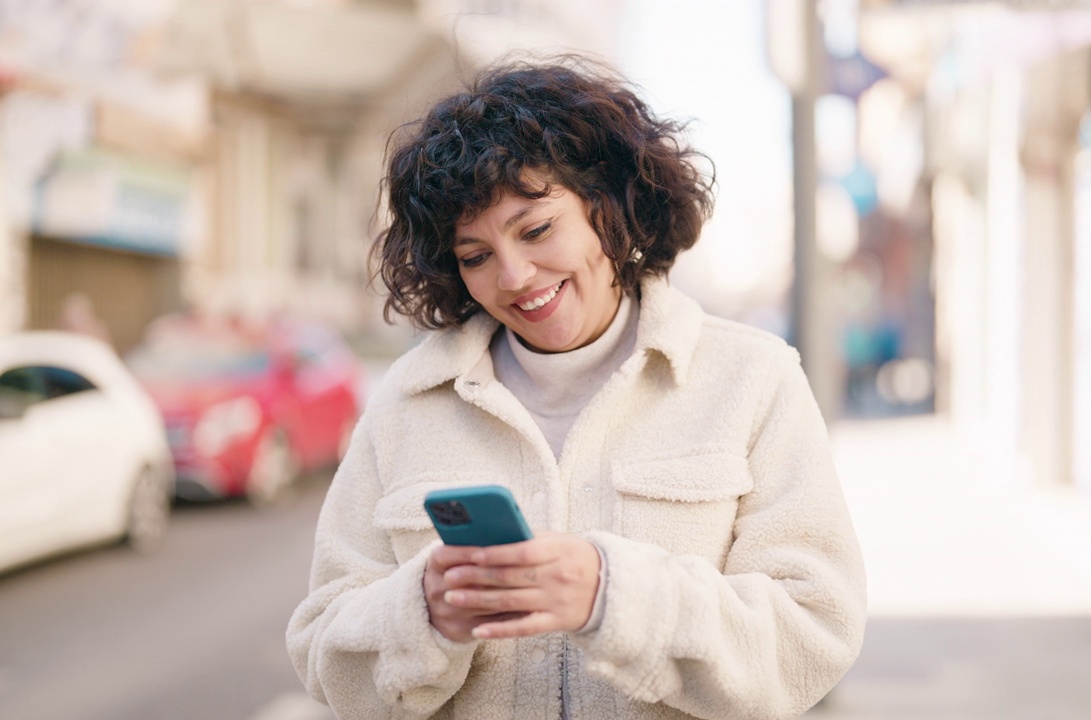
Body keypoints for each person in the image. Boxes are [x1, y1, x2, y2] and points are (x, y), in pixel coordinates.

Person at [287, 56, 867, 720]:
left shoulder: (752, 379)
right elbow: (323, 651)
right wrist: (421, 615)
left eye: (537, 230)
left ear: (607, 207)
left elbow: (812, 634)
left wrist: (612, 595)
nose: (514, 275)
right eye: (475, 256)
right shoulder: (407, 402)